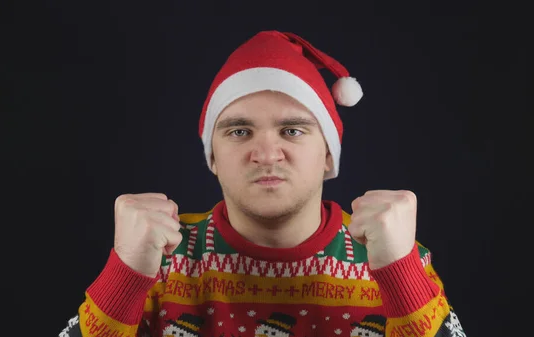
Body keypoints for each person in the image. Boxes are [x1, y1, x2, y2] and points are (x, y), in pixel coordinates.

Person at [59, 30, 467, 337]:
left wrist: (400, 274)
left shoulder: (397, 258)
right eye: (239, 132)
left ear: (329, 154)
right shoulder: (157, 258)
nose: (267, 154)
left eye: (292, 131)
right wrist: (125, 275)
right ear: (212, 156)